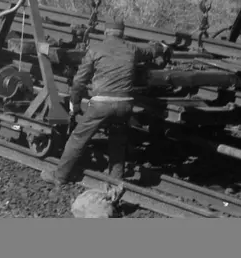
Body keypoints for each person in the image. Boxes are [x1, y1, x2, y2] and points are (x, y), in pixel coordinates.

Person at [42, 17, 165, 185]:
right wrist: (161, 47)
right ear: (122, 33)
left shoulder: (95, 49)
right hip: (125, 104)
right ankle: (115, 182)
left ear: (106, 32)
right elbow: (150, 52)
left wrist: (75, 103)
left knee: (78, 139)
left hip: (101, 104)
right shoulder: (132, 48)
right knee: (118, 141)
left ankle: (60, 176)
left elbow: (79, 81)